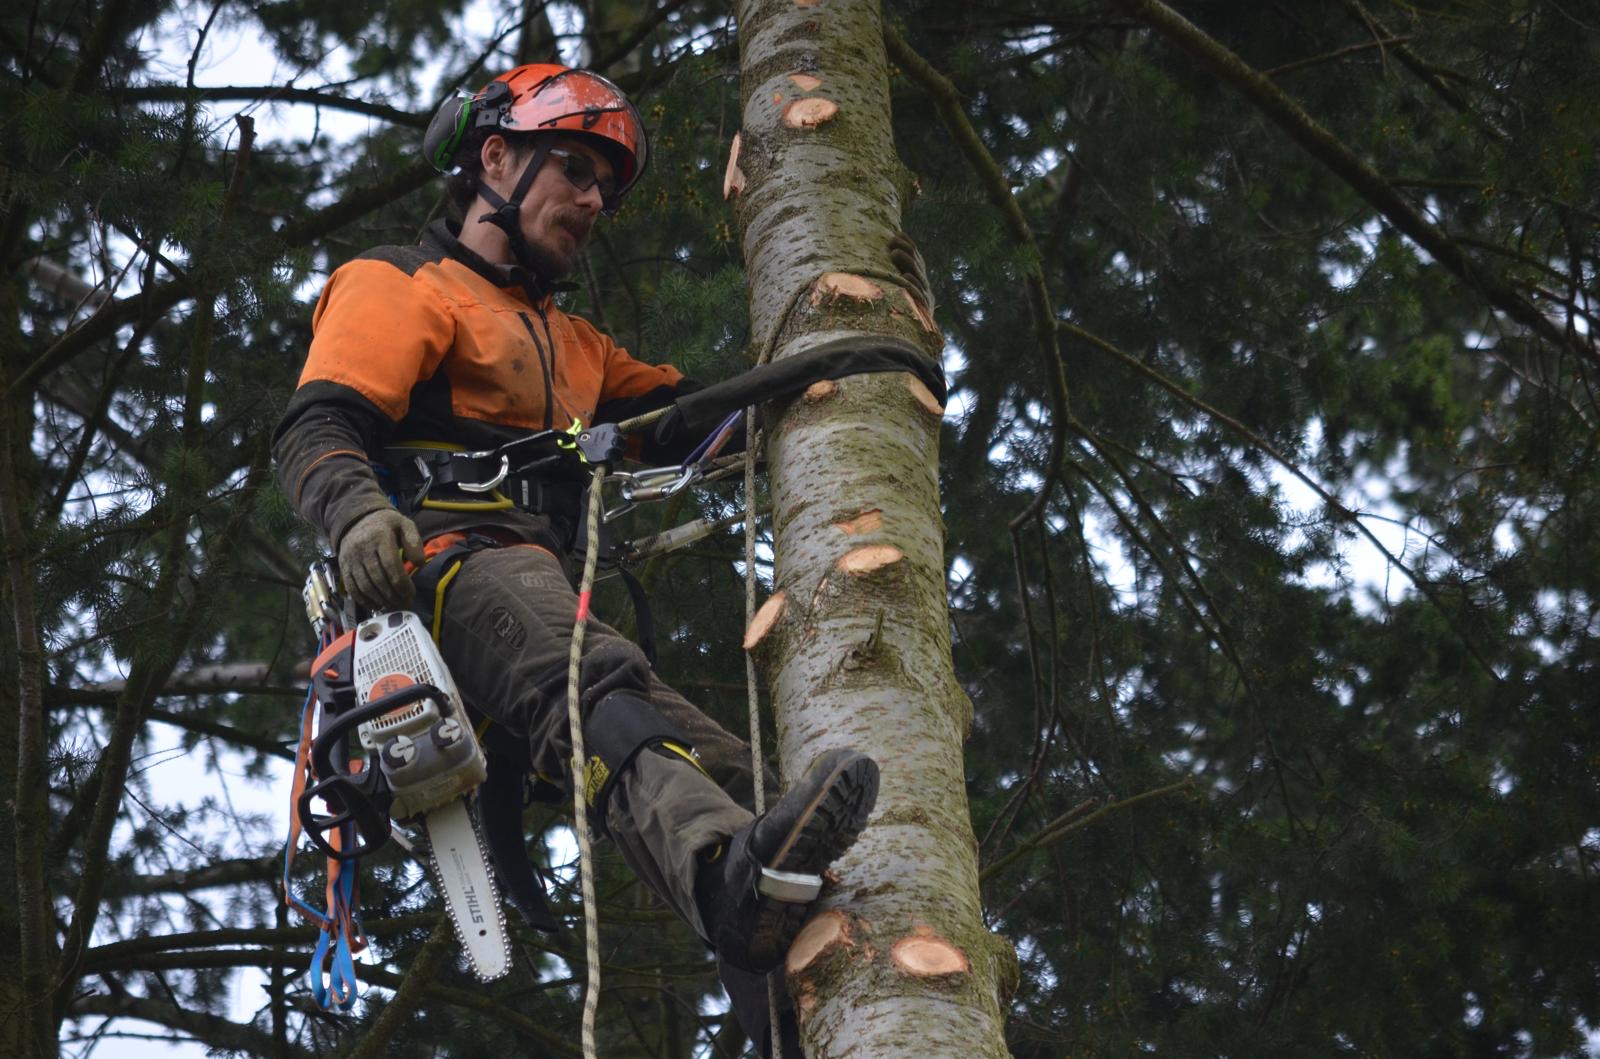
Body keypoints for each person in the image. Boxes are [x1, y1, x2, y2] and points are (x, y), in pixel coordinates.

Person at [272, 63, 879, 1052]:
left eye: (605, 186)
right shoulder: (402, 286)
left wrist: (841, 361)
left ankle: (785, 987)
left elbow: (694, 424)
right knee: (593, 680)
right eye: (573, 169)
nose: (594, 201)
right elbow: (320, 424)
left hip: (533, 585)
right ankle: (724, 874)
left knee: (732, 762)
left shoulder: (580, 347)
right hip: (443, 571)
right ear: (495, 159)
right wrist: (355, 518)